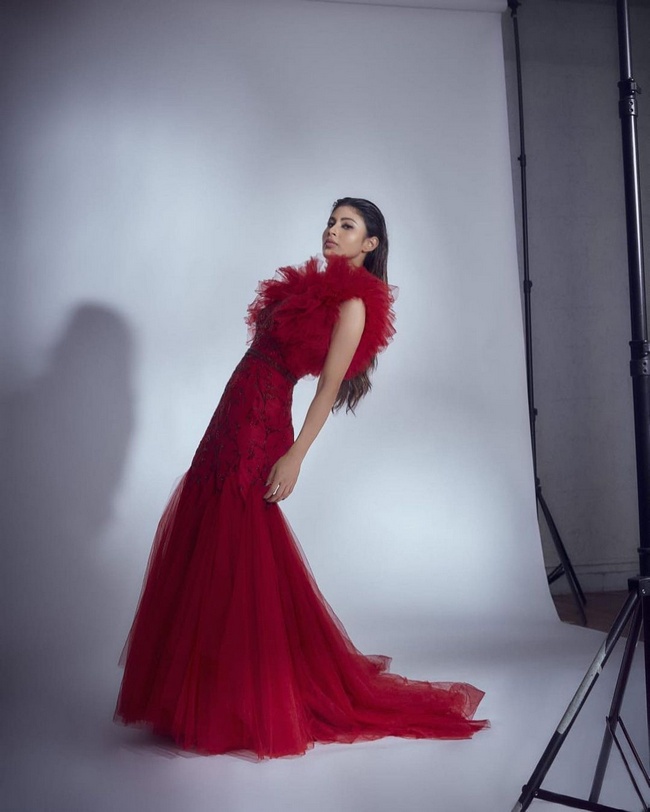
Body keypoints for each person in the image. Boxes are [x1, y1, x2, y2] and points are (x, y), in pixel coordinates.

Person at [115, 197, 488, 758]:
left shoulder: (354, 305)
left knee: (240, 540)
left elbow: (328, 388)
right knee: (209, 526)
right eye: (331, 222)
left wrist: (295, 456)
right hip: (232, 411)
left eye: (347, 226)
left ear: (370, 244)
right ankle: (202, 692)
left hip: (263, 422)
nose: (332, 231)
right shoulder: (308, 286)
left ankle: (241, 699)